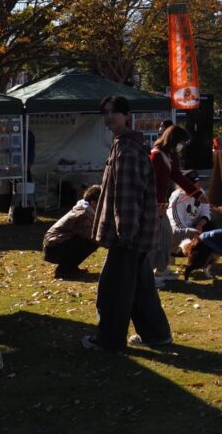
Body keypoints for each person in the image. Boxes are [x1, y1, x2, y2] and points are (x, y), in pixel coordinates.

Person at [83, 95, 171, 352]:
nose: (109, 117)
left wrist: (125, 232)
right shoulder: (124, 144)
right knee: (142, 288)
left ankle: (109, 341)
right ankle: (157, 335)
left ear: (126, 115)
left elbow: (128, 194)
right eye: (106, 113)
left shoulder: (127, 149)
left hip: (130, 235)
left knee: (113, 289)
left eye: (114, 112)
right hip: (136, 234)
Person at [150, 125, 204, 284]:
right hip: (153, 205)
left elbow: (179, 177)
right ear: (174, 140)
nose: (183, 146)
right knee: (154, 240)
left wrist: (198, 194)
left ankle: (162, 269)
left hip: (161, 204)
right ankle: (150, 275)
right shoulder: (156, 156)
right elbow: (151, 183)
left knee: (165, 236)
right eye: (181, 142)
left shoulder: (168, 156)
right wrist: (156, 204)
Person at [43, 184, 101, 278]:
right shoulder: (83, 214)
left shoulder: (85, 210)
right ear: (94, 203)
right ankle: (64, 270)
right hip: (54, 248)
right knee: (90, 242)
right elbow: (89, 235)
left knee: (88, 242)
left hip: (55, 245)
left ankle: (71, 267)